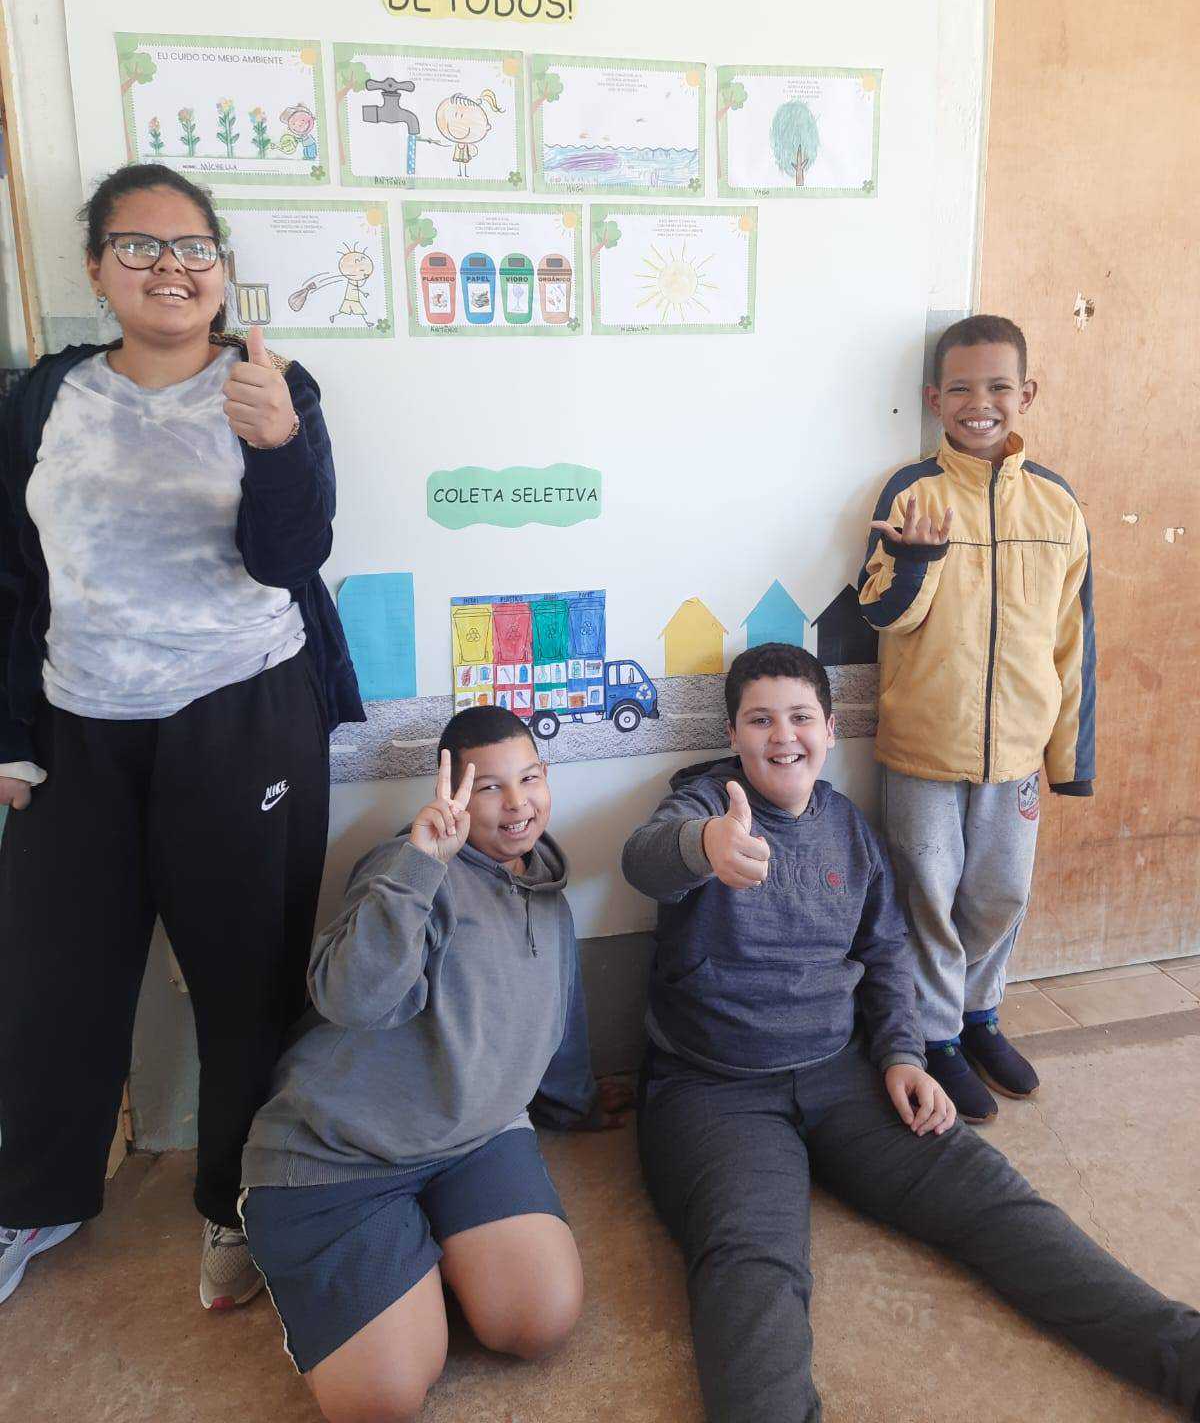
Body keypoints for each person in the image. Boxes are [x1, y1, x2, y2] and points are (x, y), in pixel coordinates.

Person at [624, 644, 1199, 1423]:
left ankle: (1183, 1356)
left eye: (800, 717)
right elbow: (643, 861)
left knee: (996, 1200)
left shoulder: (848, 829)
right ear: (732, 733)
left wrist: (902, 1055)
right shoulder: (702, 808)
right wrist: (705, 847)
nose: (782, 736)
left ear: (831, 729)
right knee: (754, 1268)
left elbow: (887, 953)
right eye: (759, 720)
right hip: (714, 1090)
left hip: (841, 1073)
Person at [0, 163, 363, 1313]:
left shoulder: (273, 382)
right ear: (96, 268)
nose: (171, 267)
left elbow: (290, 557)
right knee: (52, 978)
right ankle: (35, 1197)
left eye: (193, 247)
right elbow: (11, 574)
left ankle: (235, 1202)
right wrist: (8, 735)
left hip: (243, 715)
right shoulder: (41, 397)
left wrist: (278, 442)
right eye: (140, 245)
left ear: (222, 268)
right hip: (79, 725)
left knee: (245, 980)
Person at [240, 706, 630, 1423]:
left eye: (529, 779)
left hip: (473, 1140)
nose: (517, 804)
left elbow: (554, 1009)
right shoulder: (408, 866)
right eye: (489, 788)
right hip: (343, 1156)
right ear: (451, 792)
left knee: (540, 1322)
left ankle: (426, 1259)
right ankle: (350, 1263)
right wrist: (421, 866)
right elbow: (350, 999)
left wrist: (572, 1101)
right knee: (381, 1399)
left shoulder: (545, 889)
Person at [858, 313, 1095, 1122]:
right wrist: (918, 557)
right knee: (928, 894)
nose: (979, 403)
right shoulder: (911, 492)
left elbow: (1073, 638)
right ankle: (934, 1037)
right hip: (925, 748)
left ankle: (979, 1016)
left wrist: (1069, 756)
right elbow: (881, 613)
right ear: (935, 399)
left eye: (998, 387)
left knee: (998, 893)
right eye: (960, 388)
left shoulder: (1057, 504)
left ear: (1027, 394)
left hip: (1017, 752)